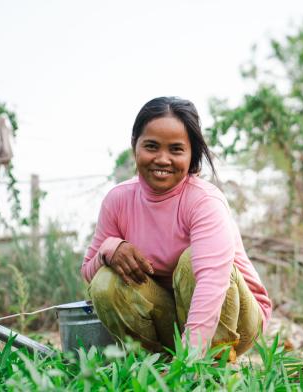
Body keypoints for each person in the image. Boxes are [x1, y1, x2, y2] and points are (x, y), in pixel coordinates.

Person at [80, 96, 271, 359]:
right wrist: (109, 249)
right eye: (151, 146)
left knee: (191, 261)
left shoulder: (204, 201)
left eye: (176, 149)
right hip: (171, 317)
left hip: (234, 317)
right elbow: (90, 275)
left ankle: (209, 365)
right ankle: (152, 366)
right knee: (106, 280)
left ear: (192, 154)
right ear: (134, 145)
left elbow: (212, 283)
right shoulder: (118, 200)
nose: (162, 159)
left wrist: (191, 360)